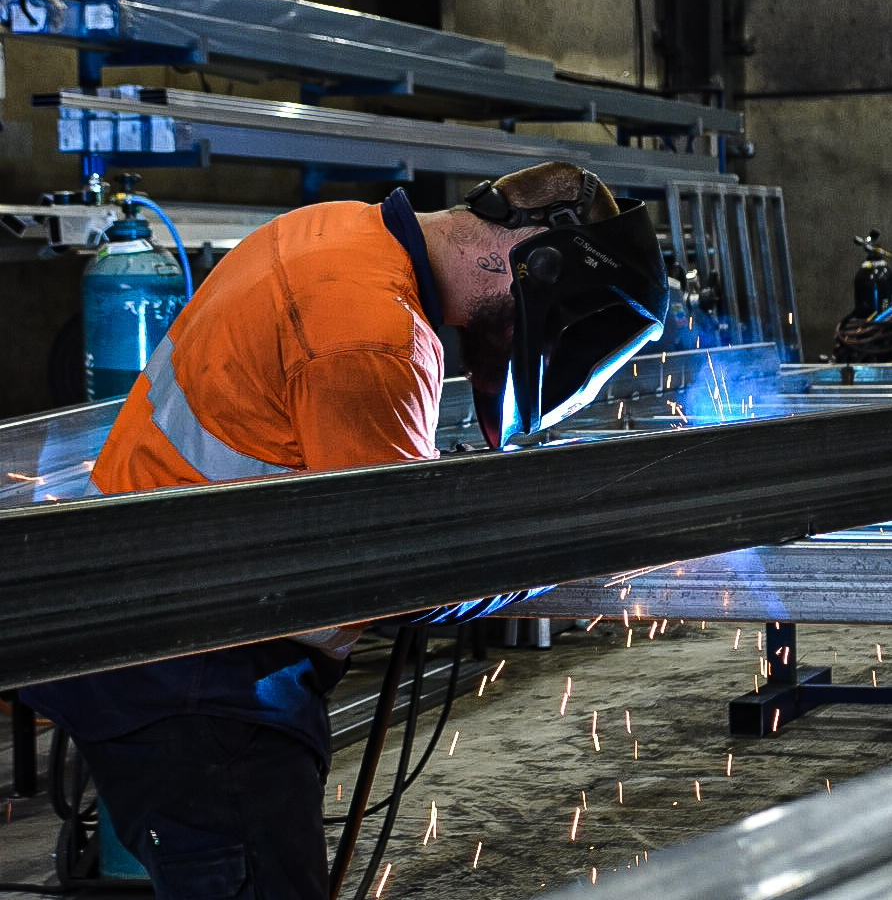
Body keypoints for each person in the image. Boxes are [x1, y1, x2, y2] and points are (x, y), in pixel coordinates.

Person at [22, 160, 668, 900]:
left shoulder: (337, 232)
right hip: (203, 679)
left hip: (165, 637)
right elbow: (399, 579)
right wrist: (563, 546)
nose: (535, 334)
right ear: (532, 256)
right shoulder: (372, 331)